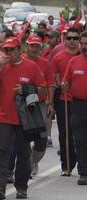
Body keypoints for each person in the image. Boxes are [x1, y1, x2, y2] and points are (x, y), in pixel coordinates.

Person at [0, 37, 46, 199]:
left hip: (25, 119)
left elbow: (42, 89)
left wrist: (26, 89)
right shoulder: (1, 66)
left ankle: (21, 187)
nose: (8, 52)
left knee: (23, 153)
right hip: (3, 117)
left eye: (12, 49)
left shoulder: (31, 66)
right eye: (6, 50)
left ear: (20, 50)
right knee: (3, 150)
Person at [24, 35, 55, 175]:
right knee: (23, 138)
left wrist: (50, 103)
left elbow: (50, 84)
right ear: (26, 46)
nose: (34, 49)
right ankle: (25, 165)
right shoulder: (19, 61)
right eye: (32, 45)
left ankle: (33, 160)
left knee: (41, 140)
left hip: (40, 104)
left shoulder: (45, 63)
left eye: (37, 46)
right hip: (22, 105)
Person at [52, 27, 80, 176]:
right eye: (69, 38)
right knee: (65, 134)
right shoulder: (58, 57)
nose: (72, 41)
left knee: (80, 133)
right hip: (64, 99)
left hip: (81, 101)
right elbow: (54, 77)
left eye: (75, 38)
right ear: (65, 39)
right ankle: (66, 164)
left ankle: (78, 159)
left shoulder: (84, 56)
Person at [62, 31, 87, 185]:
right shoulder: (73, 61)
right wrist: (64, 85)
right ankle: (83, 173)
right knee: (80, 140)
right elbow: (66, 81)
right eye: (82, 43)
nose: (84, 46)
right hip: (77, 105)